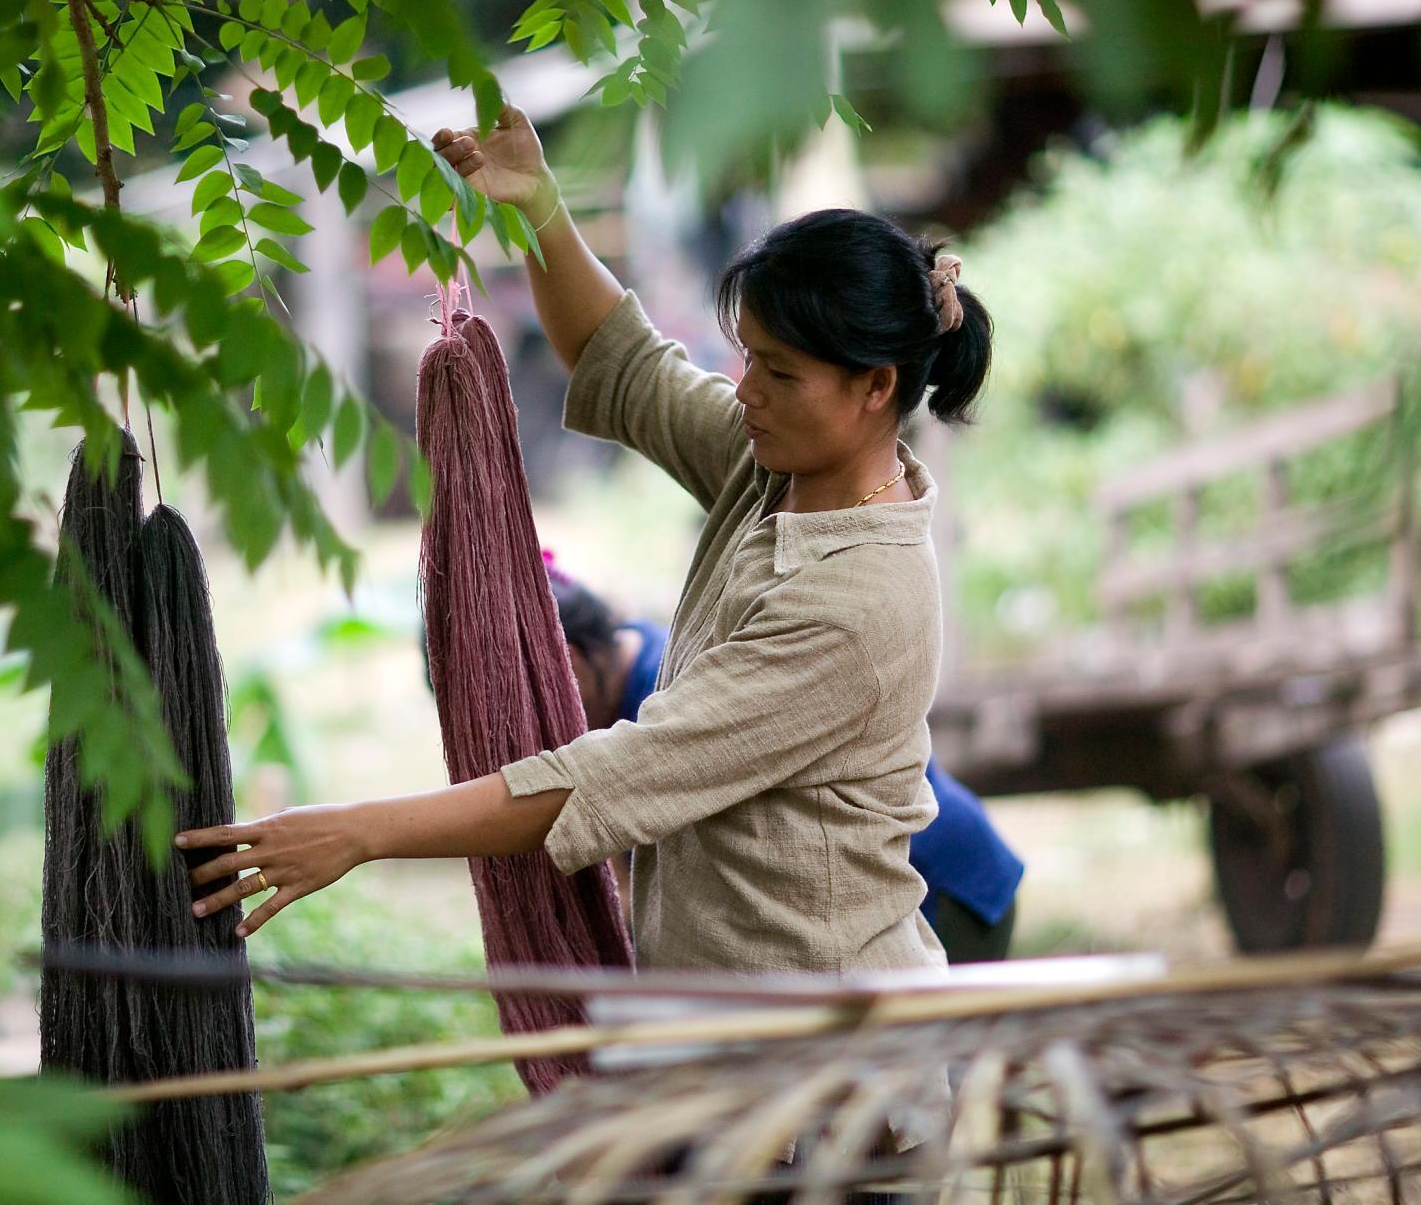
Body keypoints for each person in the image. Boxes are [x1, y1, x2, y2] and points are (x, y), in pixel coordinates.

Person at [176, 104, 995, 993]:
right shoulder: (774, 464)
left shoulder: (857, 602)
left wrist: (360, 831)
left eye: (780, 373)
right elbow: (627, 363)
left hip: (825, 1058)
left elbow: (615, 776)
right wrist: (538, 207)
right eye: (747, 357)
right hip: (731, 1026)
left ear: (876, 387)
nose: (745, 389)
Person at [547, 563, 1023, 963]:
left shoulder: (667, 698)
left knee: (929, 1065)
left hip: (941, 881)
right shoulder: (638, 646)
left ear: (571, 663)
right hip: (898, 879)